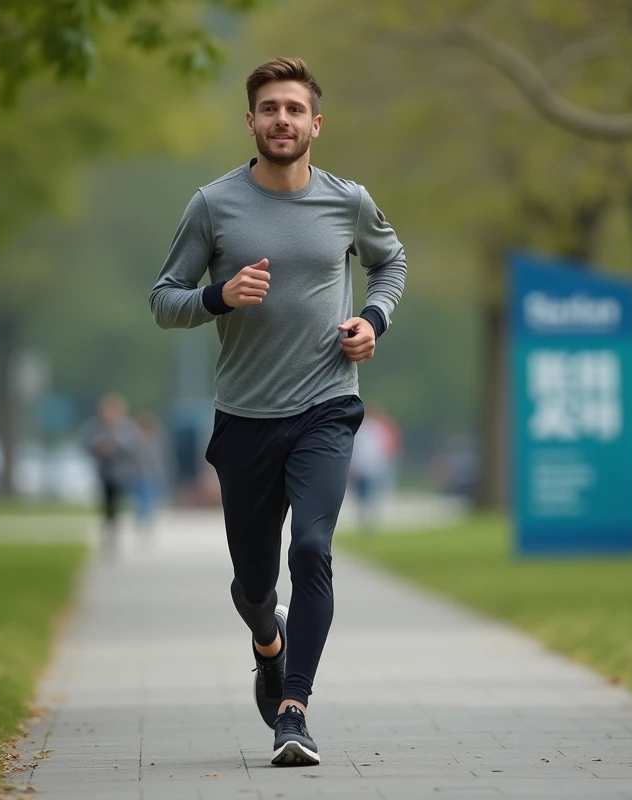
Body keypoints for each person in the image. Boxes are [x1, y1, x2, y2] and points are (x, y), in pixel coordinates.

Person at [149, 57, 407, 767]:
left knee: (313, 549)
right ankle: (269, 642)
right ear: (251, 121)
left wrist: (372, 322)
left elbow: (391, 262)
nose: (282, 119)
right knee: (255, 582)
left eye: (295, 108)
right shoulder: (213, 205)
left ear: (315, 123)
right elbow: (164, 300)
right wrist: (217, 297)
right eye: (270, 108)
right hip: (245, 419)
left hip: (327, 407)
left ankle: (293, 711)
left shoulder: (348, 201)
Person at [81, 394, 139, 550]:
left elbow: (132, 447)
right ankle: (108, 529)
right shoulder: (95, 426)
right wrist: (100, 447)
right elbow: (86, 444)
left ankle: (113, 529)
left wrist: (114, 445)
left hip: (121, 473)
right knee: (106, 502)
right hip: (104, 472)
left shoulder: (126, 427)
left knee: (116, 501)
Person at [129, 410, 171, 535]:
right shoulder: (136, 438)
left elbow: (161, 457)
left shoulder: (157, 437)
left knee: (149, 499)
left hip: (153, 474)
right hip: (140, 474)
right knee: (142, 499)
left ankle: (147, 521)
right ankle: (143, 521)